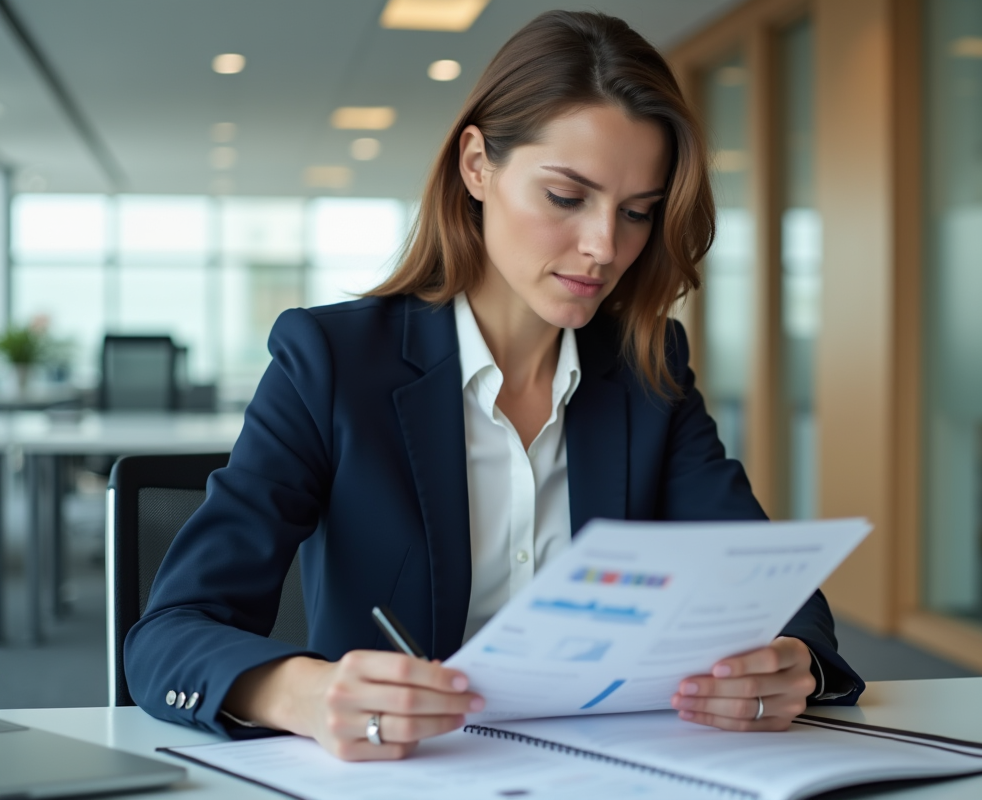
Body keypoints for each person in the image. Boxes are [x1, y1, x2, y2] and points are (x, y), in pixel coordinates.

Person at [125, 10, 864, 762]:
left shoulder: (648, 366)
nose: (605, 247)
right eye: (567, 197)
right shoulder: (333, 362)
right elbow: (169, 636)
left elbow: (771, 586)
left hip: (620, 772)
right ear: (477, 165)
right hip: (407, 777)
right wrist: (304, 694)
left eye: (638, 212)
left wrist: (788, 659)